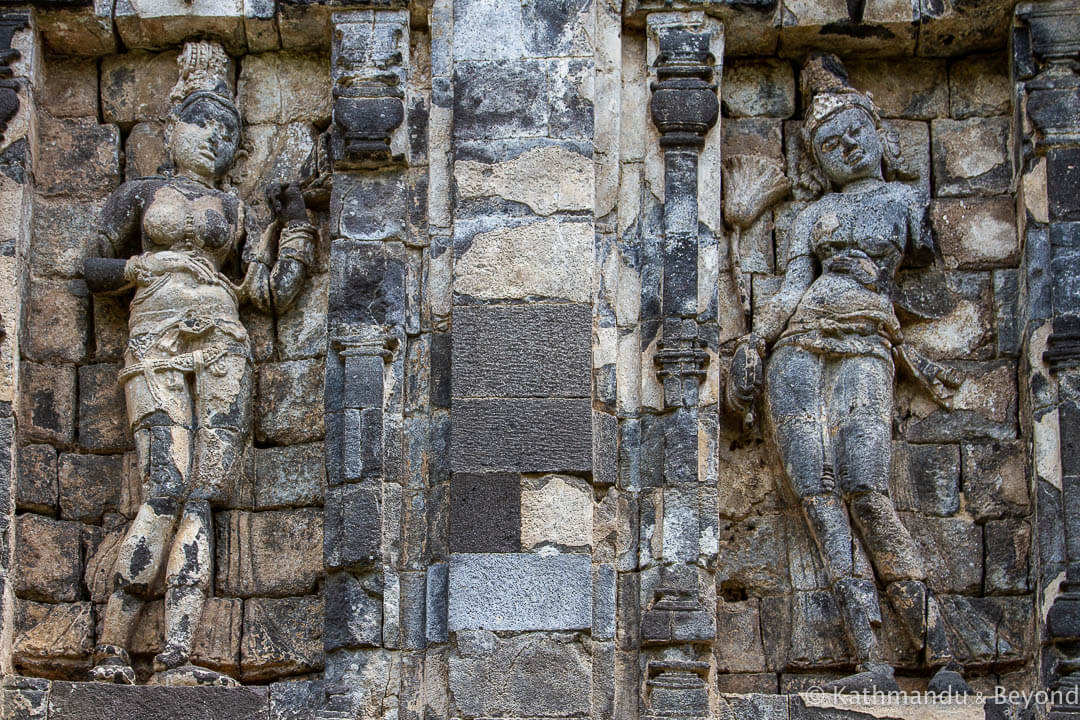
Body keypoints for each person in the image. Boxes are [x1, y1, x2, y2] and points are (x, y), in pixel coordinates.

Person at [726, 53, 968, 693]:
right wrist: (754, 341)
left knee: (866, 487)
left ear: (879, 132)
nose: (846, 146)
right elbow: (788, 290)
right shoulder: (812, 216)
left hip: (865, 340)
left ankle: (938, 651)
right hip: (798, 346)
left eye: (855, 132)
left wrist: (880, 290)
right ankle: (870, 660)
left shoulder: (905, 201)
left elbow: (940, 296)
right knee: (819, 500)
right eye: (830, 144)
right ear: (816, 159)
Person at [83, 40, 314, 685]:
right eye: (205, 123)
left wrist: (294, 220)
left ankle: (178, 655)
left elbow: (268, 293)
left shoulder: (235, 211)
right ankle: (109, 648)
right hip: (154, 337)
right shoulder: (140, 193)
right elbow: (90, 268)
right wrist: (141, 266)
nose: (217, 140)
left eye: (230, 132)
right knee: (163, 487)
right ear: (173, 125)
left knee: (201, 497)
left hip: (222, 343)